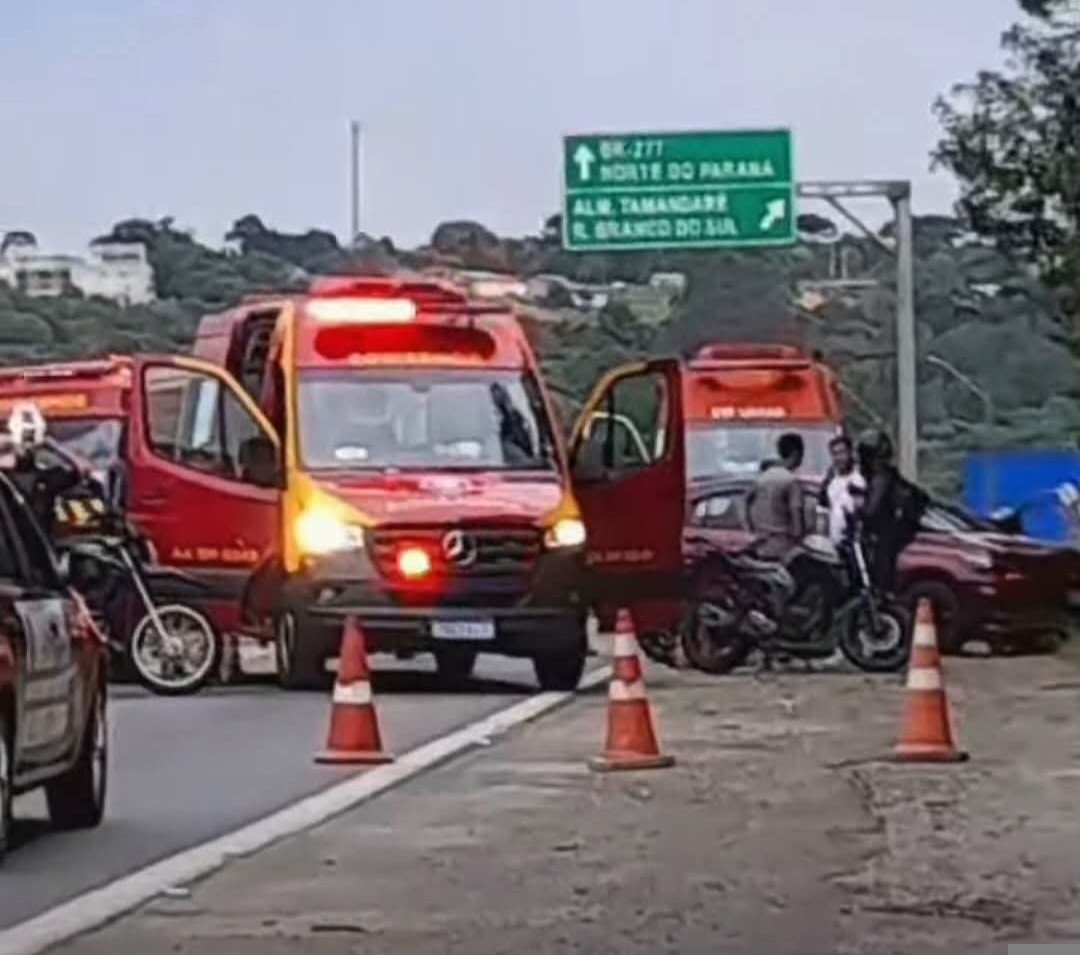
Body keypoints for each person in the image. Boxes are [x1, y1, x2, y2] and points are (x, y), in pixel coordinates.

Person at [856, 429, 926, 595]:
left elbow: (871, 510)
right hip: (892, 537)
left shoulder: (881, 478)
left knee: (877, 580)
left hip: (883, 539)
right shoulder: (890, 476)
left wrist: (858, 512)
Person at [744, 432, 806, 559]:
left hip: (761, 546)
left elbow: (744, 501)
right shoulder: (791, 481)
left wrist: (749, 530)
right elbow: (796, 516)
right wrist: (799, 542)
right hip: (784, 548)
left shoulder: (762, 478)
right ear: (796, 454)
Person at [818, 433, 866, 545]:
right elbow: (822, 515)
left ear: (850, 453)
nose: (839, 458)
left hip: (856, 544)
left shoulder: (860, 480)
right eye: (835, 454)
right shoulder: (829, 482)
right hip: (833, 544)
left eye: (842, 453)